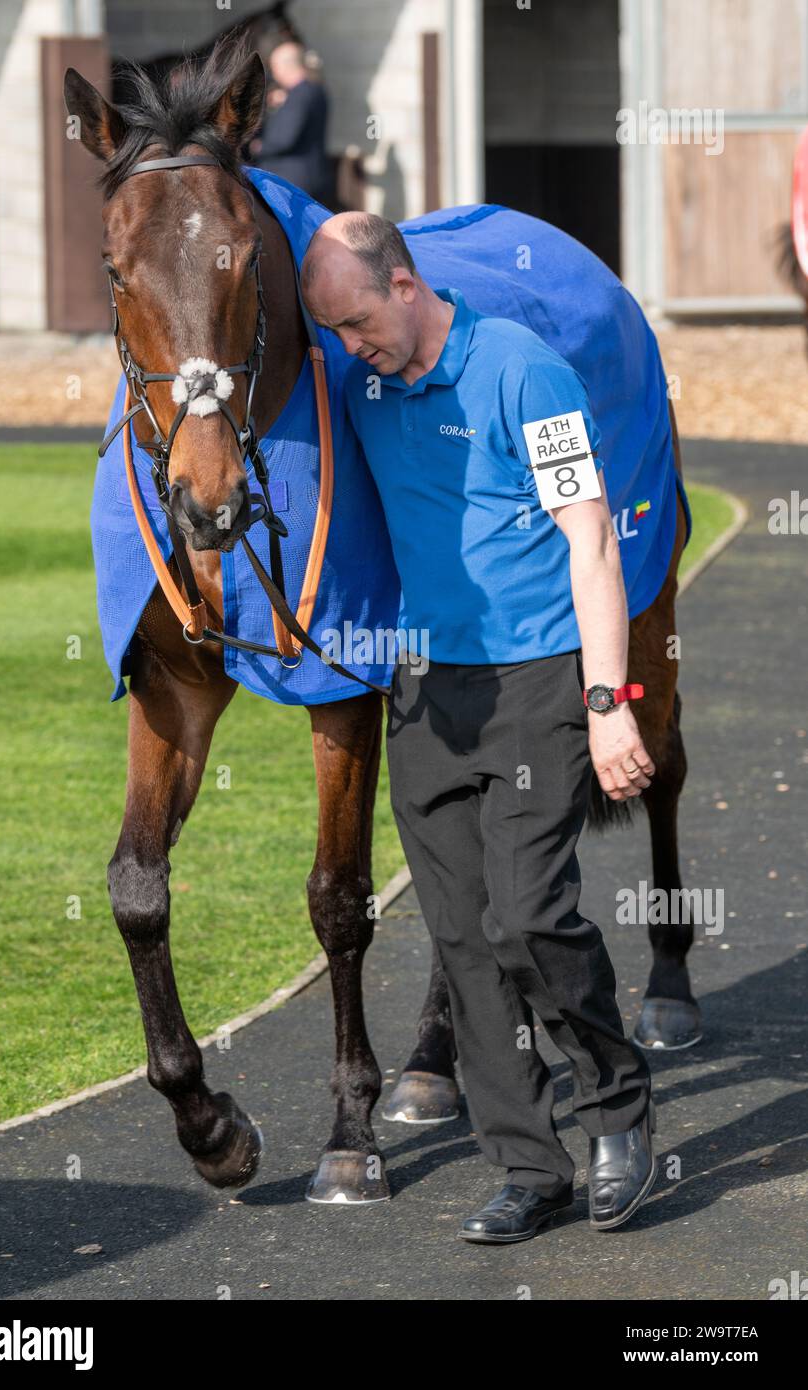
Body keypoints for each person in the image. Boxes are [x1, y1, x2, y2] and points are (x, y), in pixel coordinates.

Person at [300, 212, 658, 1244]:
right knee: (461, 939)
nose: (350, 345)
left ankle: (615, 1105)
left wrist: (605, 705)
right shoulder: (359, 380)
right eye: (333, 330)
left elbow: (590, 538)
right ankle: (527, 1163)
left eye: (359, 321)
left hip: (540, 680)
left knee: (526, 916)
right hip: (425, 689)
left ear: (405, 284)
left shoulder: (523, 372)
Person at [249, 40, 332, 205]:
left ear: (286, 66)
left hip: (292, 179)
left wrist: (259, 146)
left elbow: (284, 139)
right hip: (311, 174)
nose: (274, 73)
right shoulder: (315, 89)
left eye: (275, 67)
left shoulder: (298, 96)